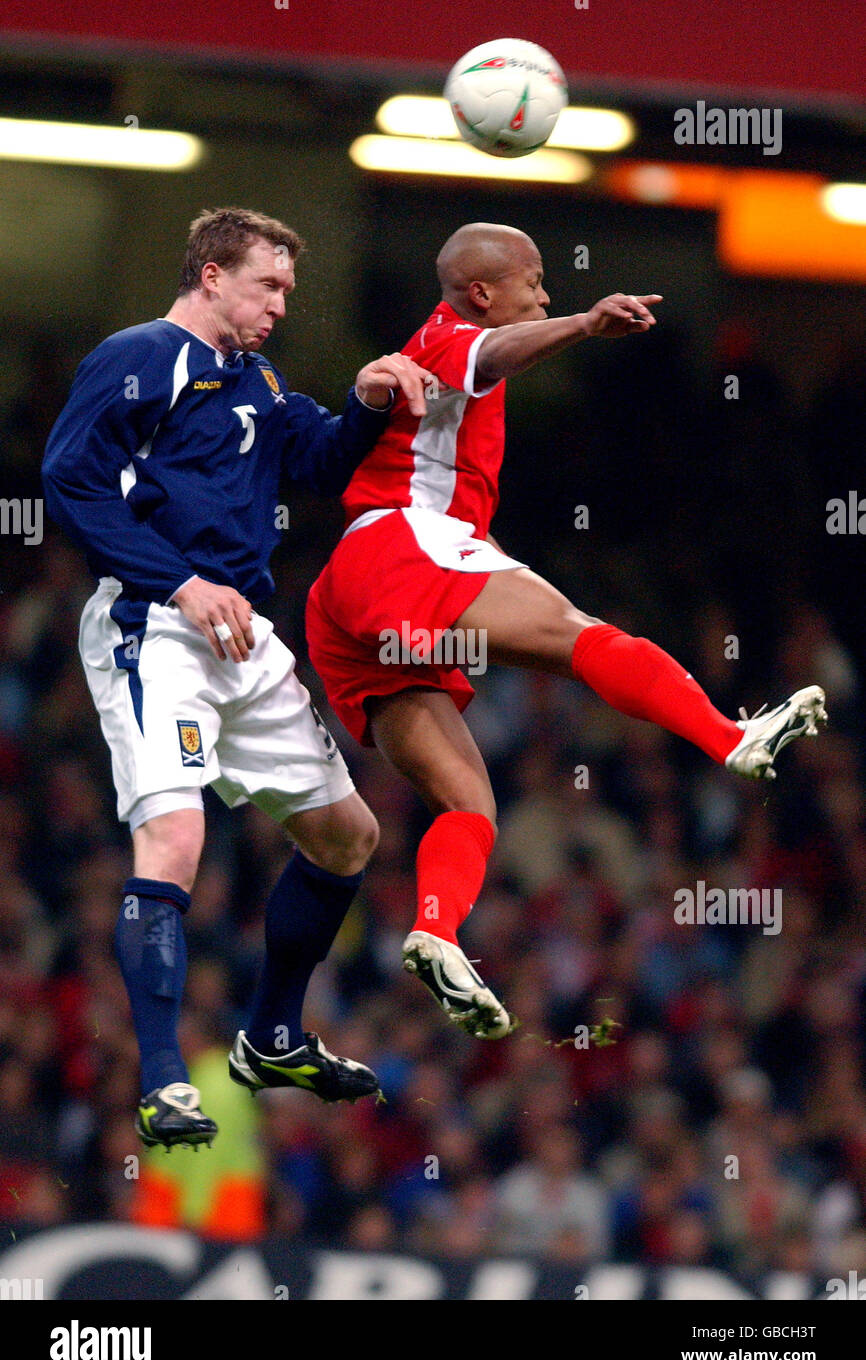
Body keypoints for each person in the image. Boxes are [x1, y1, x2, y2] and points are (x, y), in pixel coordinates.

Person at [305, 221, 827, 1041]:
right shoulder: (451, 338)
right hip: (406, 545)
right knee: (578, 634)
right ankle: (730, 737)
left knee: (468, 799)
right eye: (534, 279)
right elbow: (493, 356)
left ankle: (435, 928)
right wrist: (584, 323)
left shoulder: (441, 347)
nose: (544, 292)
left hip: (348, 600)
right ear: (484, 292)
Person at [42, 206, 430, 1148]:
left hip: (243, 636)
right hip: (157, 627)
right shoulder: (138, 356)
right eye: (269, 284)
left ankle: (273, 1035)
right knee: (174, 841)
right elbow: (67, 477)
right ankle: (165, 1080)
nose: (281, 305)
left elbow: (322, 459)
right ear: (212, 275)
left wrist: (371, 401)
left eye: (288, 290)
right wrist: (175, 581)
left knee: (349, 837)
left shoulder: (255, 378)